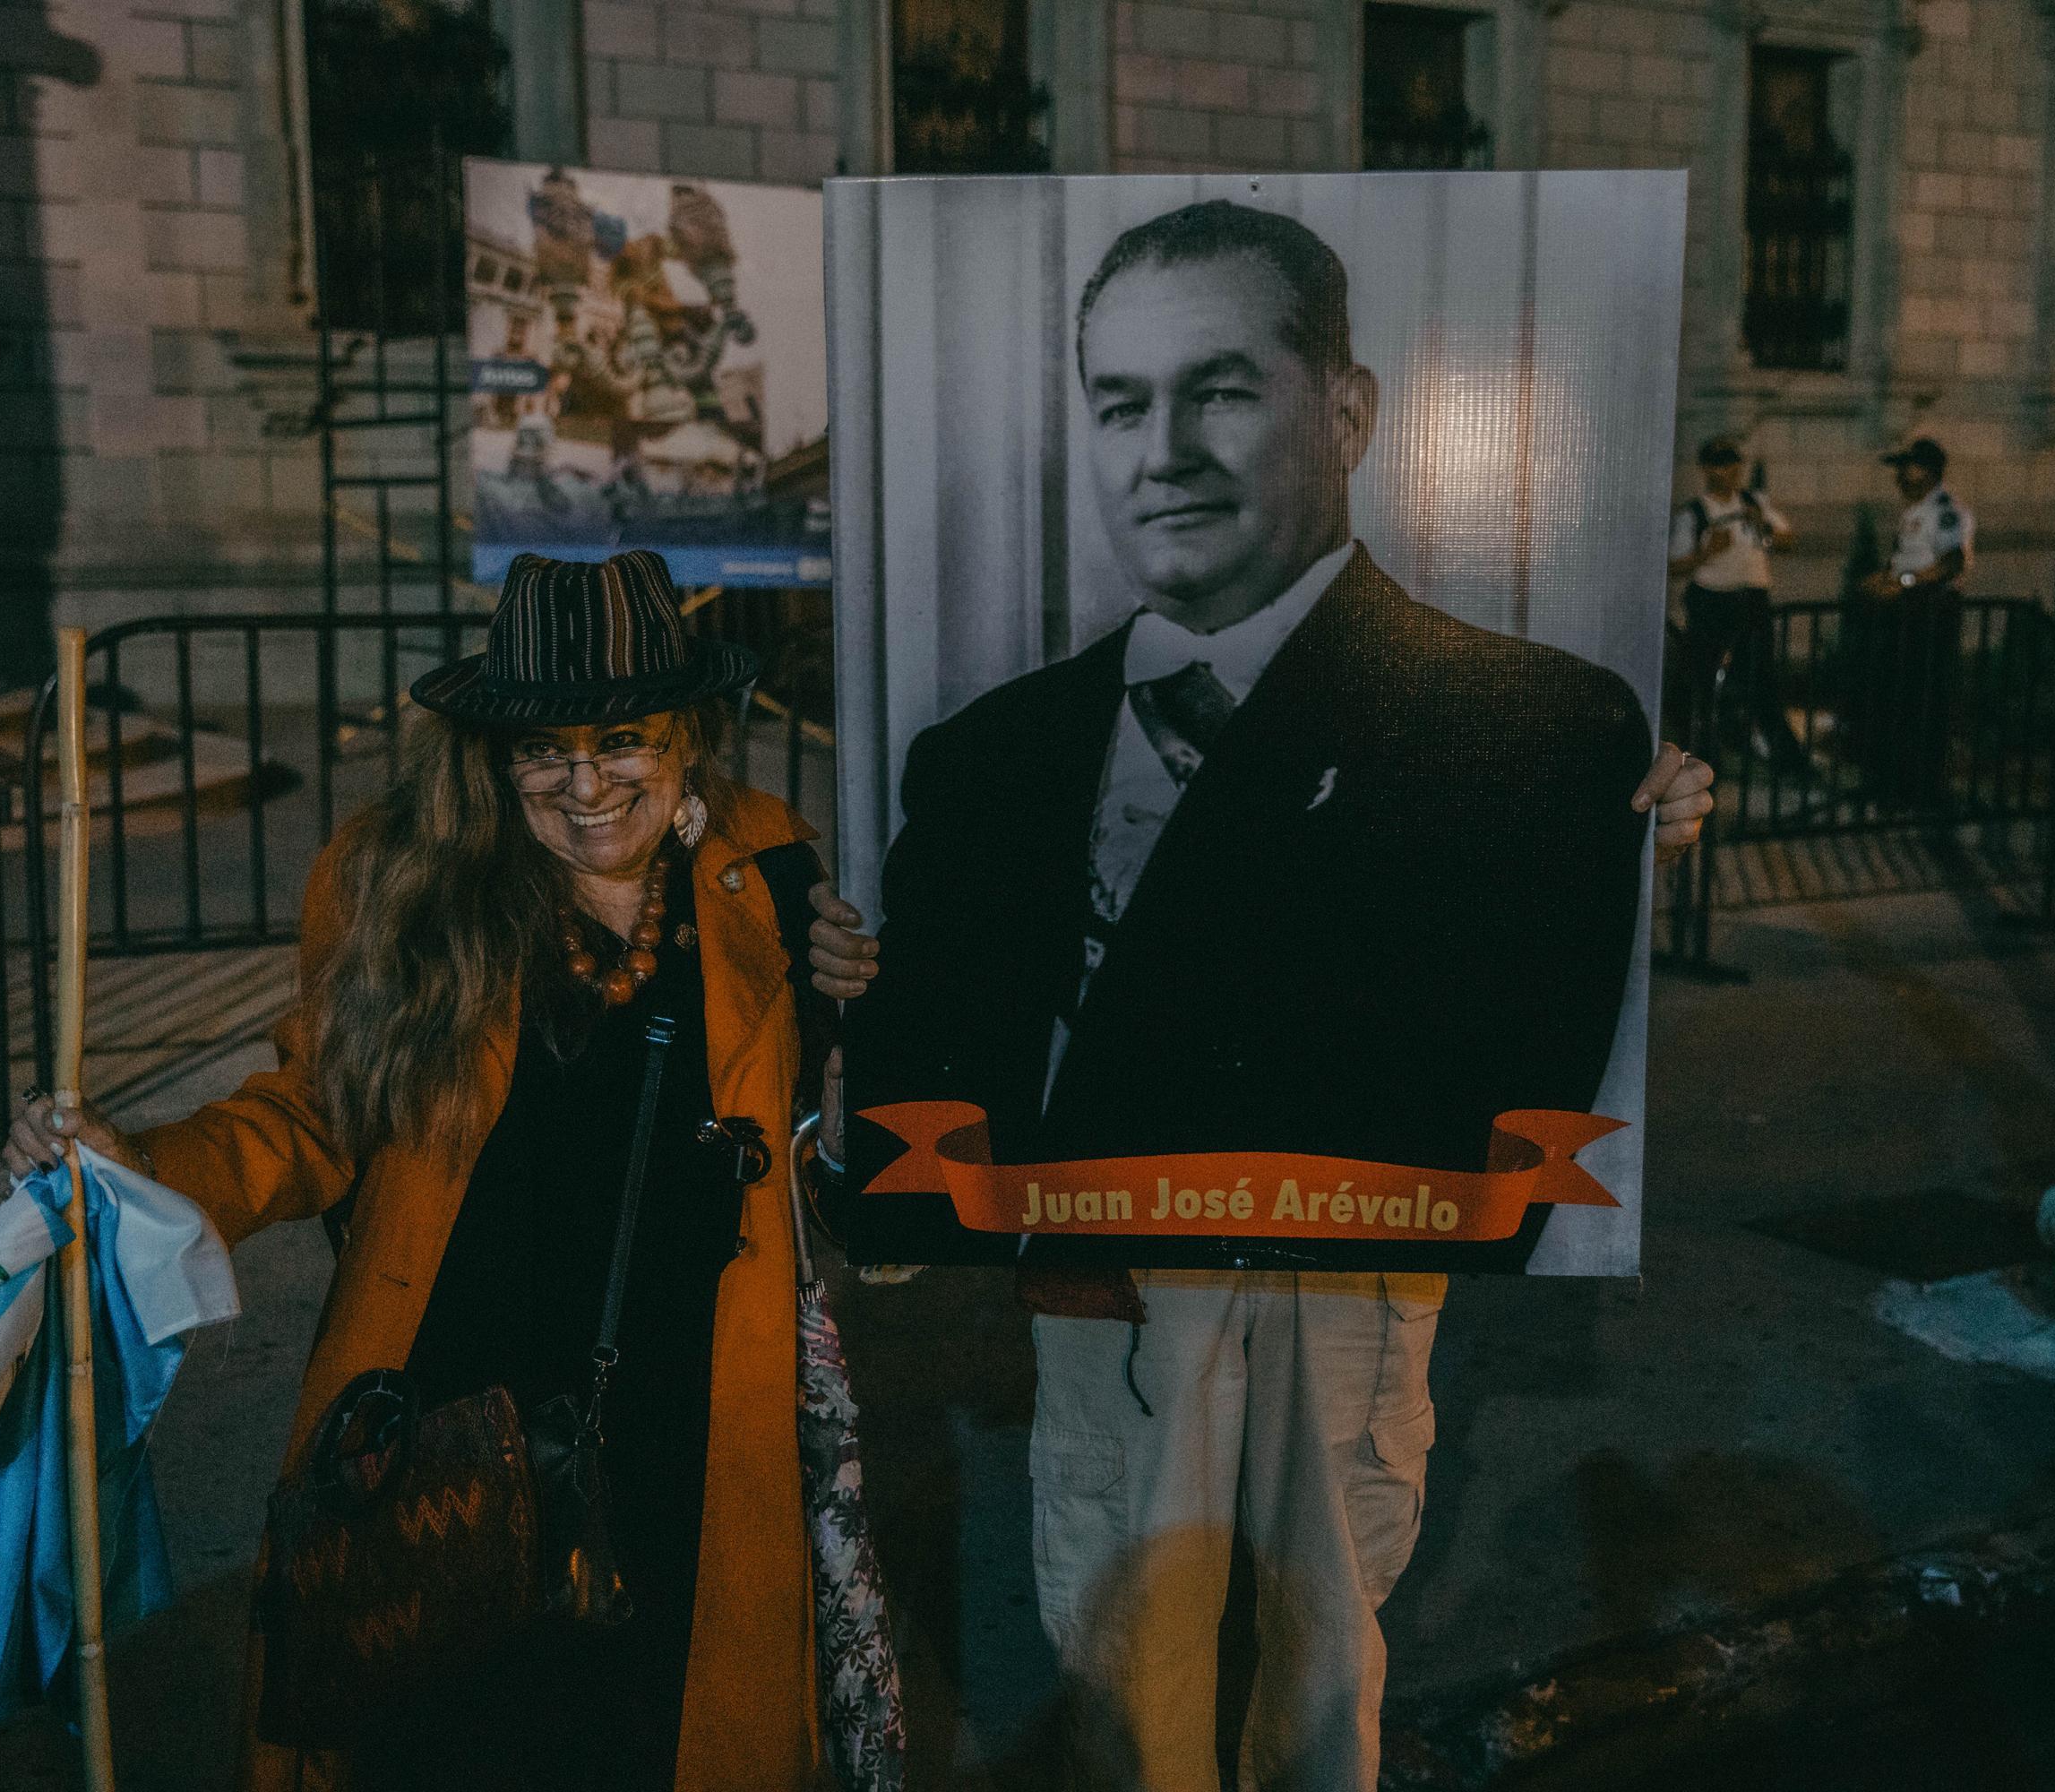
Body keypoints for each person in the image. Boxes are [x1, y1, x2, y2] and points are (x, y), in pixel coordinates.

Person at [839, 200, 1714, 1792]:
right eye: (1121, 402)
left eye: (1222, 389)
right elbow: (930, 1063)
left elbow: (1513, 1088)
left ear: (1351, 412)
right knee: (1124, 1667)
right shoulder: (991, 758)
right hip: (1105, 1284)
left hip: (1335, 1283)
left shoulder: (1531, 733)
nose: (1161, 449)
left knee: (1314, 1675)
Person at [0, 550, 882, 1791]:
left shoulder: (765, 864)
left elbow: (801, 1123)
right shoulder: (401, 883)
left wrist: (848, 1018)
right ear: (491, 752)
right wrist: (138, 1164)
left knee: (662, 1731)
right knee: (451, 1739)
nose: (585, 784)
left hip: (688, 1407)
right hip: (451, 1411)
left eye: (622, 738)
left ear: (686, 736)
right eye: (543, 749)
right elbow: (311, 1111)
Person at [1668, 432, 1809, 776]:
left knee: (1763, 681)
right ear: (1706, 469)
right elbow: (1674, 565)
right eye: (1717, 464)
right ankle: (1703, 762)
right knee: (1705, 685)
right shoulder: (1696, 513)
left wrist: (1762, 524)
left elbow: (1788, 541)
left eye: (1731, 464)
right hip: (1712, 603)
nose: (1725, 472)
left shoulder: (1754, 503)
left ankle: (1789, 761)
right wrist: (1706, 552)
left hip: (1752, 602)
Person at [1849, 436, 1974, 805]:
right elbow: (1910, 559)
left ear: (1930, 472)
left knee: (1923, 699)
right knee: (1898, 696)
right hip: (1906, 609)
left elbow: (1953, 563)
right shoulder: (1914, 512)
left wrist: (1902, 584)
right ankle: (1895, 782)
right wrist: (1884, 576)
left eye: (1909, 467)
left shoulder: (1946, 511)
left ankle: (1920, 788)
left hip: (1931, 610)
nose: (1901, 476)